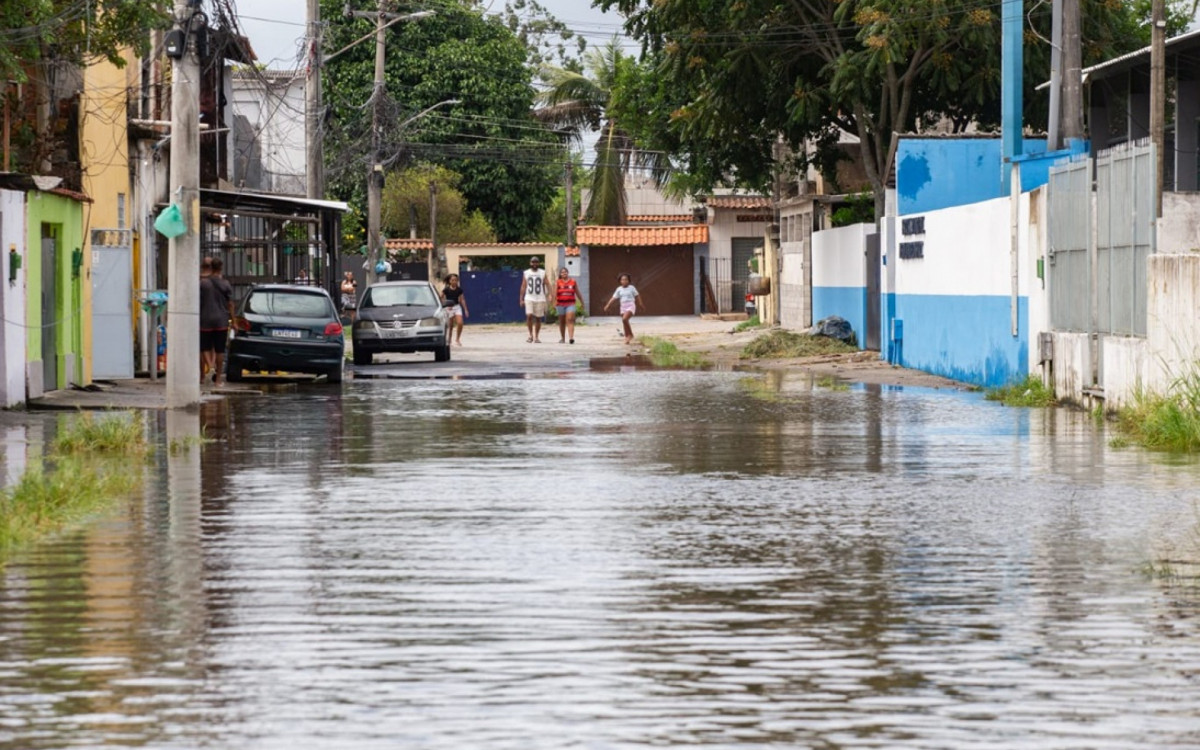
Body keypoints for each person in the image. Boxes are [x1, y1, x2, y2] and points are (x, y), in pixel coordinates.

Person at [200, 257, 234, 385]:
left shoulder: (203, 284)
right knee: (220, 350)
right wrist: (234, 321)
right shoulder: (225, 284)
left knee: (204, 347)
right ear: (220, 268)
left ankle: (210, 367)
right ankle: (218, 379)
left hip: (205, 320)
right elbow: (230, 304)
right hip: (221, 321)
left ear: (211, 268)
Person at [603, 272, 644, 345]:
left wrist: (640, 304)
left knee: (625, 319)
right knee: (625, 322)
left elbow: (637, 295)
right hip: (623, 306)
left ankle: (630, 335)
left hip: (630, 305)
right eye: (622, 280)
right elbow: (614, 298)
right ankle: (627, 336)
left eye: (626, 280)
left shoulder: (632, 288)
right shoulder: (619, 289)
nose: (624, 281)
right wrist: (608, 305)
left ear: (629, 281)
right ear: (620, 281)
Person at [519, 255, 550, 343]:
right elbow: (523, 286)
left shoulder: (542, 272)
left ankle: (536, 336)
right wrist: (521, 299)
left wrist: (550, 295)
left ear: (538, 263)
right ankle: (530, 335)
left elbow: (547, 284)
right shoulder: (526, 273)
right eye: (533, 262)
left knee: (538, 318)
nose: (535, 264)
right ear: (530, 263)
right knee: (529, 315)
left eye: (536, 262)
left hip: (540, 297)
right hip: (529, 297)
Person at [554, 266, 584, 344]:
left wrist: (582, 302)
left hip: (570, 304)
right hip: (560, 304)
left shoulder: (573, 282)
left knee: (570, 320)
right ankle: (563, 338)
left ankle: (571, 338)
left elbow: (578, 292)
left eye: (565, 272)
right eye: (562, 272)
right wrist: (553, 303)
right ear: (560, 274)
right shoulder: (558, 282)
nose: (564, 273)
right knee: (562, 321)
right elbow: (554, 293)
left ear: (568, 273)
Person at [441, 273, 469, 345]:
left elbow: (462, 299)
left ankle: (457, 339)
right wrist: (445, 304)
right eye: (453, 280)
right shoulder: (446, 290)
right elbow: (440, 298)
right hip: (449, 308)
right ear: (449, 281)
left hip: (457, 307)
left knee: (460, 323)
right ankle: (449, 340)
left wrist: (465, 309)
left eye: (456, 280)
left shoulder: (459, 290)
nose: (454, 282)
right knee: (450, 325)